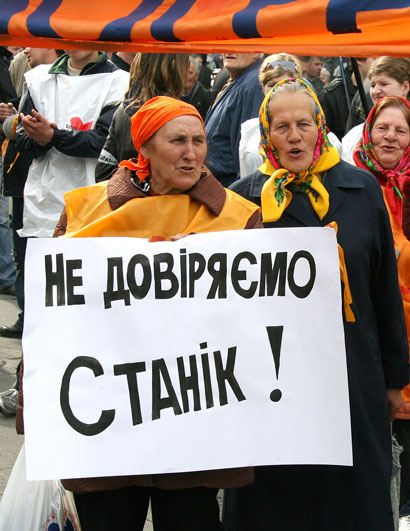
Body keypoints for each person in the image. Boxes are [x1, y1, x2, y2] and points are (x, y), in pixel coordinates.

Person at [16, 96, 262, 530]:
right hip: (108, 416)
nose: (191, 153)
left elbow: (257, 318)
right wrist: (33, 395)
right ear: (144, 147)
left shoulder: (236, 218)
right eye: (177, 141)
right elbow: (52, 313)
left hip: (193, 417)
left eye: (199, 141)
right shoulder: (87, 209)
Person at [224, 78, 409, 530]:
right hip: (274, 376)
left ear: (320, 128)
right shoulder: (244, 199)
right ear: (266, 134)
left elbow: (384, 290)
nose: (294, 136)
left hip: (353, 371)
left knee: (350, 494)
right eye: (281, 126)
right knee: (277, 494)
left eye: (303, 124)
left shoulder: (360, 190)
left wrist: (395, 379)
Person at [352, 96, 410, 519]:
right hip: (375, 327)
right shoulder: (350, 185)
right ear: (368, 131)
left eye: (401, 130)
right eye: (382, 128)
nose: (390, 137)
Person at [238, 53, 341, 179]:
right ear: (262, 87)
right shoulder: (250, 132)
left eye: (285, 84)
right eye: (272, 85)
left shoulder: (329, 140)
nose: (279, 90)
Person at [95, 52, 189, 182]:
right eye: (185, 63)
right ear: (175, 67)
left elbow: (102, 172)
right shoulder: (179, 116)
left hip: (123, 191)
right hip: (162, 194)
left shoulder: (123, 110)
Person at [205, 52, 264, 186]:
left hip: (230, 189)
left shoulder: (252, 85)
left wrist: (239, 194)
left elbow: (248, 156)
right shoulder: (239, 80)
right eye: (227, 44)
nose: (230, 50)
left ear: (257, 52)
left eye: (239, 46)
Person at [342, 56, 410, 163]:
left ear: (405, 87)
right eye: (373, 85)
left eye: (384, 84)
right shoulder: (354, 136)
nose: (375, 91)